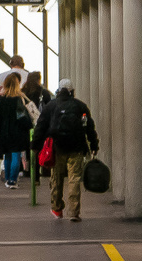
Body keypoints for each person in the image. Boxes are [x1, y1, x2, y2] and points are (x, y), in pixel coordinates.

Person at [32, 78, 99, 221]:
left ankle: (57, 209)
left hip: (56, 147)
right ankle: (74, 212)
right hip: (76, 147)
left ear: (58, 90)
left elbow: (41, 126)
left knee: (56, 178)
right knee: (74, 179)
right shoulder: (80, 106)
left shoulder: (51, 106)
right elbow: (88, 127)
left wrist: (36, 145)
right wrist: (94, 145)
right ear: (72, 91)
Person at [0, 76, 34, 189]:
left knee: (7, 156)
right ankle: (13, 180)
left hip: (4, 131)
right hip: (18, 130)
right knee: (16, 155)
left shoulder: (1, 99)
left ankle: (8, 179)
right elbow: (23, 117)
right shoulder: (19, 98)